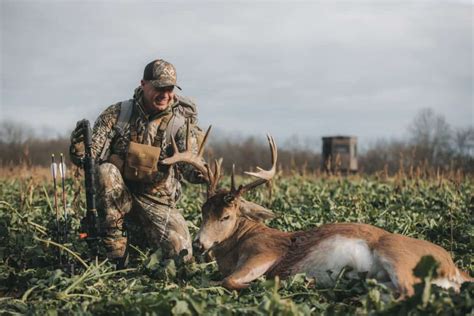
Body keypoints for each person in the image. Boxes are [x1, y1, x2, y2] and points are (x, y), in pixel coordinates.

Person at [70, 59, 204, 266]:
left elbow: (189, 168)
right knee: (105, 170)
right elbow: (89, 158)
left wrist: (199, 172)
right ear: (143, 84)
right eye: (159, 87)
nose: (165, 94)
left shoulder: (181, 123)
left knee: (183, 256)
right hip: (119, 197)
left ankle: (138, 237)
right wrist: (79, 150)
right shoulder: (117, 114)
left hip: (157, 201)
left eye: (169, 88)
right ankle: (115, 251)